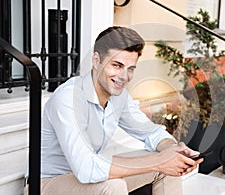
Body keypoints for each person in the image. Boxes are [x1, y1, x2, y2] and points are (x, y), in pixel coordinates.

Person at [24, 26, 203, 195]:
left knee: (165, 165)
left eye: (130, 68)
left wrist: (172, 149)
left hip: (87, 178)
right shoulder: (68, 99)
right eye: (116, 65)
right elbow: (86, 168)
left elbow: (151, 133)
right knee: (113, 185)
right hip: (46, 183)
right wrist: (158, 162)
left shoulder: (119, 97)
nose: (124, 77)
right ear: (96, 60)